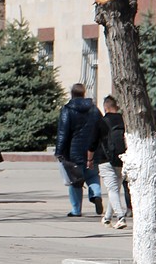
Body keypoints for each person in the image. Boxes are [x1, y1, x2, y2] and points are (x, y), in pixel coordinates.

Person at [55, 83, 105, 217]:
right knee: (93, 175)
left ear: (72, 94)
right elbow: (102, 128)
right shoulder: (94, 109)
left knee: (75, 180)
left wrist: (59, 151)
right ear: (83, 94)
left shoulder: (67, 109)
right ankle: (96, 195)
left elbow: (63, 132)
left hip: (73, 151)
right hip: (92, 150)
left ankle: (76, 210)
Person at [89, 95, 128, 229]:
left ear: (105, 107)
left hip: (105, 159)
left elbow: (93, 142)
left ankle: (121, 217)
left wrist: (89, 159)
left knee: (112, 190)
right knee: (115, 189)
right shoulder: (125, 120)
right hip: (122, 158)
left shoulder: (102, 122)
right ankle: (107, 218)